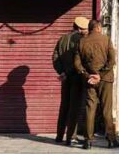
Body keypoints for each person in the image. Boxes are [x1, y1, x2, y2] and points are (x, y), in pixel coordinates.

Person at [74, 19, 119, 150]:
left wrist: (87, 75)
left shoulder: (82, 41)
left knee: (90, 109)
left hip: (89, 80)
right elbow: (112, 60)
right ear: (99, 27)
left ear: (89, 29)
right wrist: (100, 74)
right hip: (105, 80)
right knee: (106, 110)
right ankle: (111, 140)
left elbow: (77, 64)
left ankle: (87, 141)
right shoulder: (106, 40)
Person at [52, 16, 89, 146]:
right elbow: (79, 60)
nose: (86, 31)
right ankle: (71, 137)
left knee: (64, 106)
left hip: (65, 78)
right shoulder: (80, 39)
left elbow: (55, 57)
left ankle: (59, 135)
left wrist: (61, 72)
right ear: (79, 28)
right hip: (76, 77)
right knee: (74, 107)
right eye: (85, 29)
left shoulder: (62, 39)